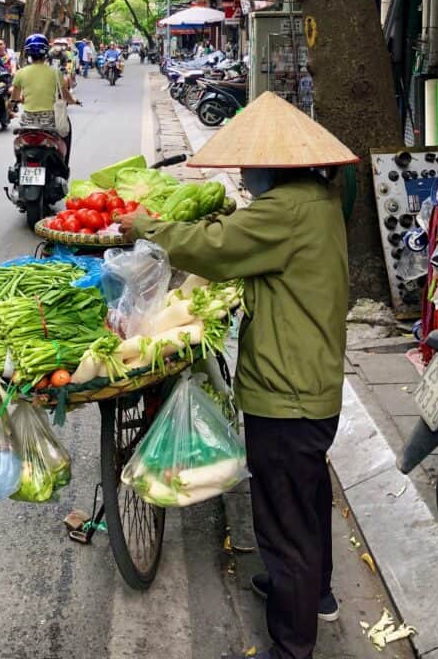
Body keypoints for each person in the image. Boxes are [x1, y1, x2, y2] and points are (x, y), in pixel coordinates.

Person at [118, 91, 358, 659]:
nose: (245, 175)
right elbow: (250, 242)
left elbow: (214, 249)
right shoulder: (320, 196)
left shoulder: (284, 211)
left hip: (286, 389)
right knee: (306, 495)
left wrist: (150, 226)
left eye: (250, 166)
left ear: (273, 164)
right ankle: (312, 591)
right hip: (313, 379)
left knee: (281, 520)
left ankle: (292, 643)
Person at [11, 34, 79, 165]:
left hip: (27, 122)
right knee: (66, 132)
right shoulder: (55, 73)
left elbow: (14, 97)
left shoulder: (21, 73)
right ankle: (64, 164)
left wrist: (15, 102)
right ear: (46, 51)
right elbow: (66, 96)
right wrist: (74, 101)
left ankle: (19, 164)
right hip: (50, 121)